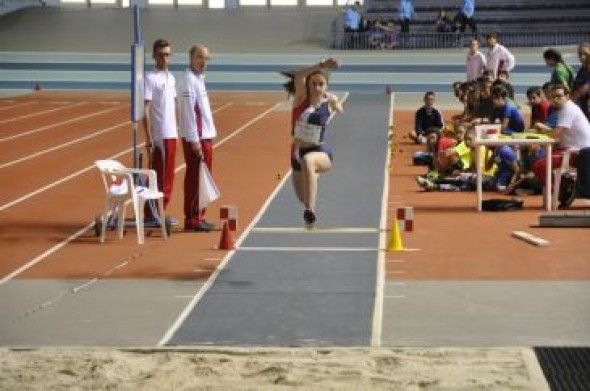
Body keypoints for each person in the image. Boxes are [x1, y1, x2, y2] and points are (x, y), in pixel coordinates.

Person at [281, 59, 343, 226]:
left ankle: (310, 210)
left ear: (326, 86)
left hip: (321, 151)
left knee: (309, 161)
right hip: (296, 154)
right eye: (313, 83)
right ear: (308, 85)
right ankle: (311, 180)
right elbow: (299, 76)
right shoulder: (301, 99)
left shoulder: (329, 101)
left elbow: (340, 110)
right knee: (302, 197)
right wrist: (321, 65)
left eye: (321, 84)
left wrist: (335, 103)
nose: (316, 87)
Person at [177, 44, 217, 232]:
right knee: (196, 177)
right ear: (191, 58)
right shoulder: (188, 80)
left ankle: (199, 216)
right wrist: (195, 140)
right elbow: (189, 113)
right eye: (200, 57)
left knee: (203, 177)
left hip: (205, 137)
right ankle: (192, 218)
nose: (204, 62)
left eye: (206, 58)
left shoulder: (198, 79)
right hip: (197, 139)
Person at [531, 84, 590, 205]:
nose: (555, 99)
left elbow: (556, 135)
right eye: (553, 97)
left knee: (540, 165)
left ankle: (563, 192)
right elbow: (557, 133)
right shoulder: (564, 109)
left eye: (559, 96)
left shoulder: (568, 109)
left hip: (578, 154)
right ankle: (566, 188)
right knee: (538, 160)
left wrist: (543, 129)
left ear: (567, 96)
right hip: (572, 150)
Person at [143, 38, 178, 223]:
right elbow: (145, 109)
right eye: (161, 55)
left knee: (169, 176)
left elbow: (172, 105)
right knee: (160, 176)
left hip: (172, 133)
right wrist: (149, 137)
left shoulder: (171, 78)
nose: (165, 58)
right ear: (154, 56)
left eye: (167, 55)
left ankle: (159, 212)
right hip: (160, 135)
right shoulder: (150, 78)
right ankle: (153, 213)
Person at [571, 43, 590, 120]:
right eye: (580, 54)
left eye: (585, 54)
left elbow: (584, 89)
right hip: (582, 107)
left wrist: (569, 101)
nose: (582, 57)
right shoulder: (582, 69)